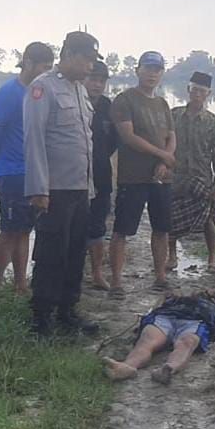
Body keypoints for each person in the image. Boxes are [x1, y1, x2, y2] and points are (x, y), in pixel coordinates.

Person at [23, 31, 100, 336]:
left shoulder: (79, 90)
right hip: (54, 190)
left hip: (80, 188)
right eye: (87, 59)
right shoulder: (43, 88)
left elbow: (84, 142)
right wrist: (39, 189)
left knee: (75, 251)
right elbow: (34, 140)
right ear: (68, 55)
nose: (90, 67)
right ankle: (42, 316)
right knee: (50, 253)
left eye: (93, 61)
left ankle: (68, 311)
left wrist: (90, 186)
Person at [0, 42, 54, 292]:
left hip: (33, 172)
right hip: (12, 171)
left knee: (24, 230)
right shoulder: (9, 92)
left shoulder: (41, 91)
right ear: (28, 63)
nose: (46, 72)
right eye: (43, 67)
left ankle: (20, 283)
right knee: (9, 230)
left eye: (50, 68)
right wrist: (1, 160)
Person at [108, 50, 175, 298]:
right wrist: (163, 154)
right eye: (148, 68)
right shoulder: (124, 100)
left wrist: (166, 161)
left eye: (157, 69)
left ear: (161, 74)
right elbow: (128, 136)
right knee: (123, 229)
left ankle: (160, 276)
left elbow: (171, 135)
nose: (152, 74)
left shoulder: (162, 103)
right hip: (133, 176)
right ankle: (116, 281)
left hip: (161, 177)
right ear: (137, 70)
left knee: (161, 228)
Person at [103, 287, 215, 386]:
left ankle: (169, 368)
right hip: (164, 317)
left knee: (187, 342)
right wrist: (165, 297)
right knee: (147, 340)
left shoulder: (212, 304)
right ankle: (127, 367)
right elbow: (152, 311)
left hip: (195, 321)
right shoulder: (171, 302)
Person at [168, 71, 215, 270]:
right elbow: (164, 143)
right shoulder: (173, 115)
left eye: (202, 91)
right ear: (188, 90)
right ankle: (172, 256)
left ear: (208, 94)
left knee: (208, 221)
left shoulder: (213, 122)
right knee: (171, 220)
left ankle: (212, 259)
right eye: (194, 90)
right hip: (176, 178)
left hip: (202, 179)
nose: (197, 94)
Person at [85, 59, 116, 290]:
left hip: (101, 175)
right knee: (72, 227)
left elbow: (115, 140)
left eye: (101, 81)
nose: (96, 85)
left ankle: (97, 273)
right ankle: (72, 273)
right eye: (93, 79)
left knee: (98, 228)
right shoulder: (73, 100)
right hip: (73, 176)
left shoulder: (108, 107)